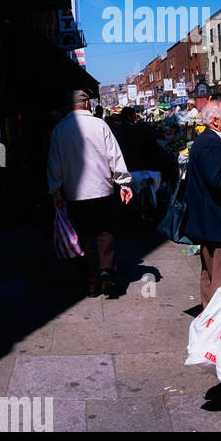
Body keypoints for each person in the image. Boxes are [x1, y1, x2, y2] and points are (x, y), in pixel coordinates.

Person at [47, 89, 134, 297]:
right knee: (105, 232)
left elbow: (54, 165)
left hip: (75, 193)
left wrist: (56, 193)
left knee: (83, 236)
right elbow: (114, 155)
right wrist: (124, 183)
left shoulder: (59, 130)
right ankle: (106, 270)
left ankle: (91, 282)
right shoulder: (100, 125)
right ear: (86, 104)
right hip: (102, 189)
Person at [182, 101, 221, 308]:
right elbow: (218, 179)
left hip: (210, 222)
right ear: (215, 121)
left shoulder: (207, 140)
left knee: (210, 274)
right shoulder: (210, 143)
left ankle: (207, 319)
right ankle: (216, 325)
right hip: (216, 222)